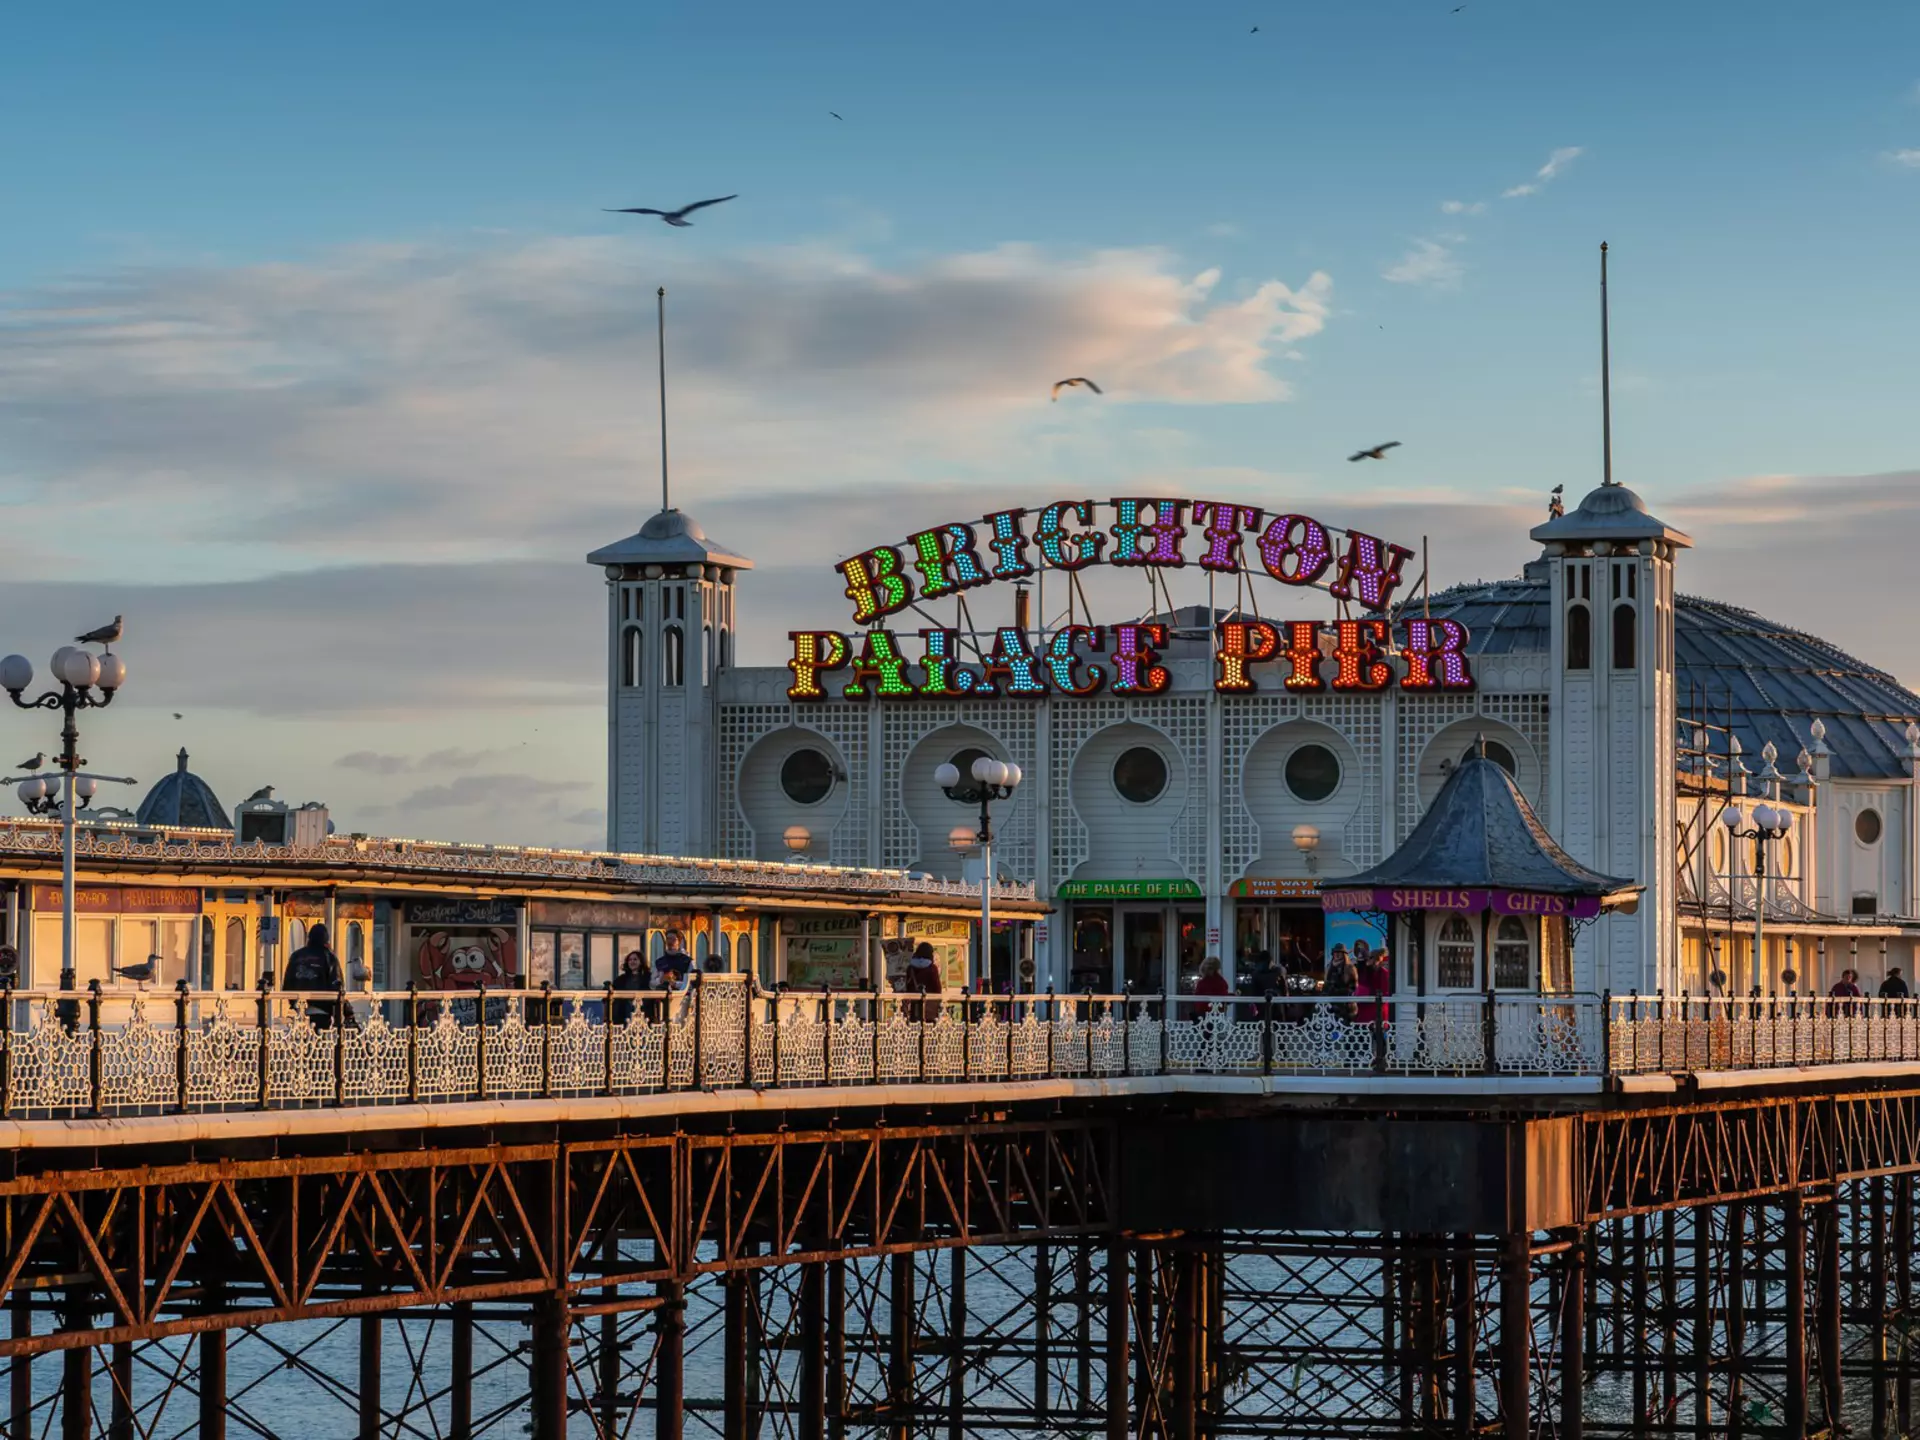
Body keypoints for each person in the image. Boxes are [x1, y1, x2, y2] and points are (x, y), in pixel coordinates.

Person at [282, 922, 344, 1029]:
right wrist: (345, 1011)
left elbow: (287, 983)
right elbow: (337, 985)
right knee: (319, 1042)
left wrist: (293, 1001)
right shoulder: (328, 956)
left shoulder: (296, 956)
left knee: (302, 1041)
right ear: (326, 940)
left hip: (298, 1007)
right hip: (321, 1008)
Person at [902, 942, 943, 1020]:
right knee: (928, 1029)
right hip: (929, 1008)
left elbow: (908, 987)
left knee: (914, 1027)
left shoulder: (910, 968)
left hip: (913, 1006)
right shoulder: (932, 968)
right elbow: (937, 988)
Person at [1355, 947, 1393, 1027]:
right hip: (1365, 1007)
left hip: (1377, 1009)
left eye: (1370, 958)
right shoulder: (1368, 971)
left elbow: (1385, 992)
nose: (1368, 961)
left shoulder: (1383, 973)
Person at [611, 949, 649, 1025]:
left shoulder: (648, 977)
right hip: (625, 1011)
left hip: (643, 1011)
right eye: (630, 960)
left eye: (635, 959)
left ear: (641, 961)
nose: (632, 962)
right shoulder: (621, 979)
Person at [1324, 944, 1358, 1021]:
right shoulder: (1329, 967)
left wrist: (1340, 991)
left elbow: (1353, 987)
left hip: (1344, 1003)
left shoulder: (1349, 968)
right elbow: (1326, 983)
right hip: (1330, 1001)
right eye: (1335, 952)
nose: (1337, 954)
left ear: (1344, 954)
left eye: (1339, 952)